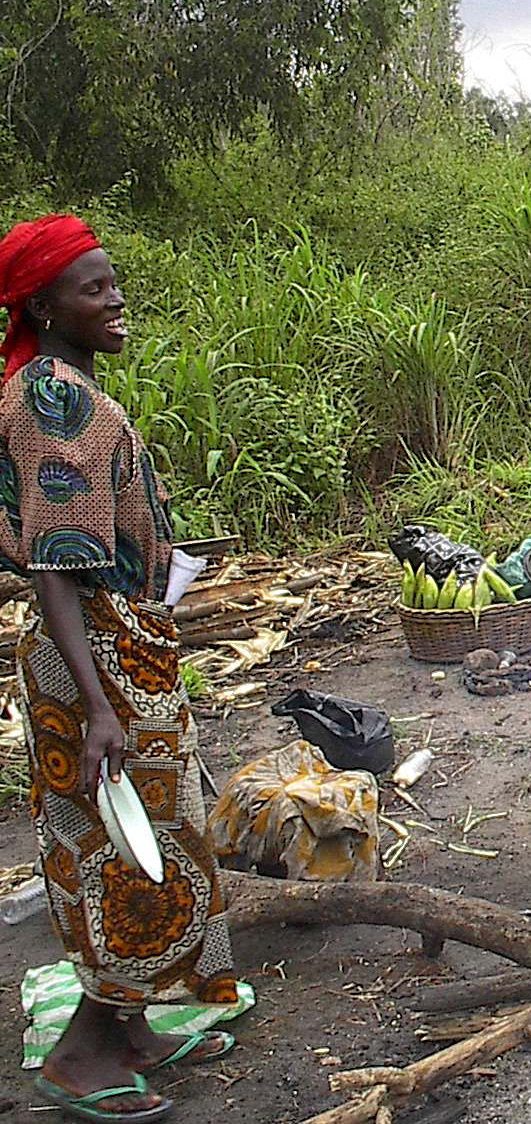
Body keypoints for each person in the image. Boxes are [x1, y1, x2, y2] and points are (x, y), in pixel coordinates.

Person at [0, 215, 237, 1121]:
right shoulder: (55, 400)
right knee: (121, 849)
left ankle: (131, 1025)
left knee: (157, 836)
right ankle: (82, 1052)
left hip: (114, 642)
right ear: (42, 304)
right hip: (90, 655)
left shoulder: (59, 385)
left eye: (113, 282)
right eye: (92, 288)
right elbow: (58, 565)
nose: (115, 299)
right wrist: (100, 706)